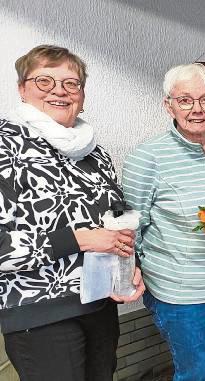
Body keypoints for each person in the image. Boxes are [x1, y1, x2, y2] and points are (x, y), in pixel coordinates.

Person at [0, 44, 144, 381]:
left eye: (71, 83)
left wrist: (128, 266)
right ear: (22, 89)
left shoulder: (94, 153)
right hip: (39, 313)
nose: (60, 92)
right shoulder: (5, 145)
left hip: (98, 304)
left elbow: (116, 219)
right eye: (45, 82)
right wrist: (80, 240)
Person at [122, 63, 205, 381]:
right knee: (193, 372)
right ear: (169, 105)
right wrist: (131, 273)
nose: (197, 109)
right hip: (180, 291)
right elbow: (132, 226)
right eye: (185, 100)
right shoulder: (147, 157)